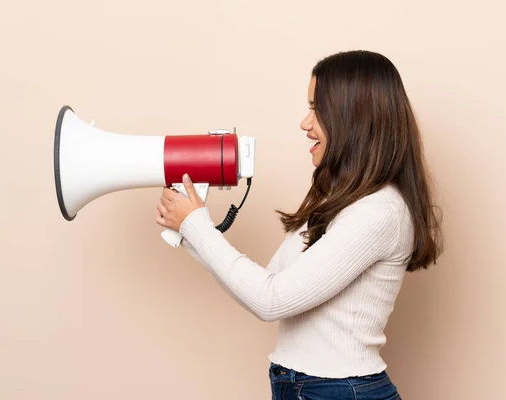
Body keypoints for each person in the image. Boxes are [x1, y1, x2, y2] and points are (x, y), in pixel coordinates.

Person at [156, 50, 443, 400]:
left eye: (316, 109)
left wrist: (196, 226)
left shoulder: (380, 210)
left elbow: (270, 300)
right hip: (306, 387)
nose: (305, 123)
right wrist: (191, 230)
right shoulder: (338, 199)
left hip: (339, 392)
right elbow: (267, 284)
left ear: (353, 117)